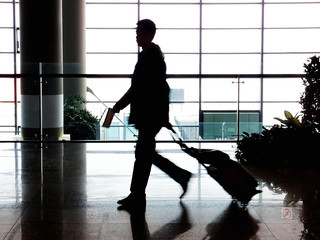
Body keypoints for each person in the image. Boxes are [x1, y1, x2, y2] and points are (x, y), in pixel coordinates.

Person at [113, 19, 192, 209]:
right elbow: (145, 87)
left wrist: (119, 105)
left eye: (139, 33)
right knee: (145, 154)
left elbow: (145, 88)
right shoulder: (149, 55)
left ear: (149, 34)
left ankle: (138, 195)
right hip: (149, 114)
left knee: (143, 154)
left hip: (150, 114)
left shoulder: (153, 58)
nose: (136, 36)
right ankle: (179, 176)